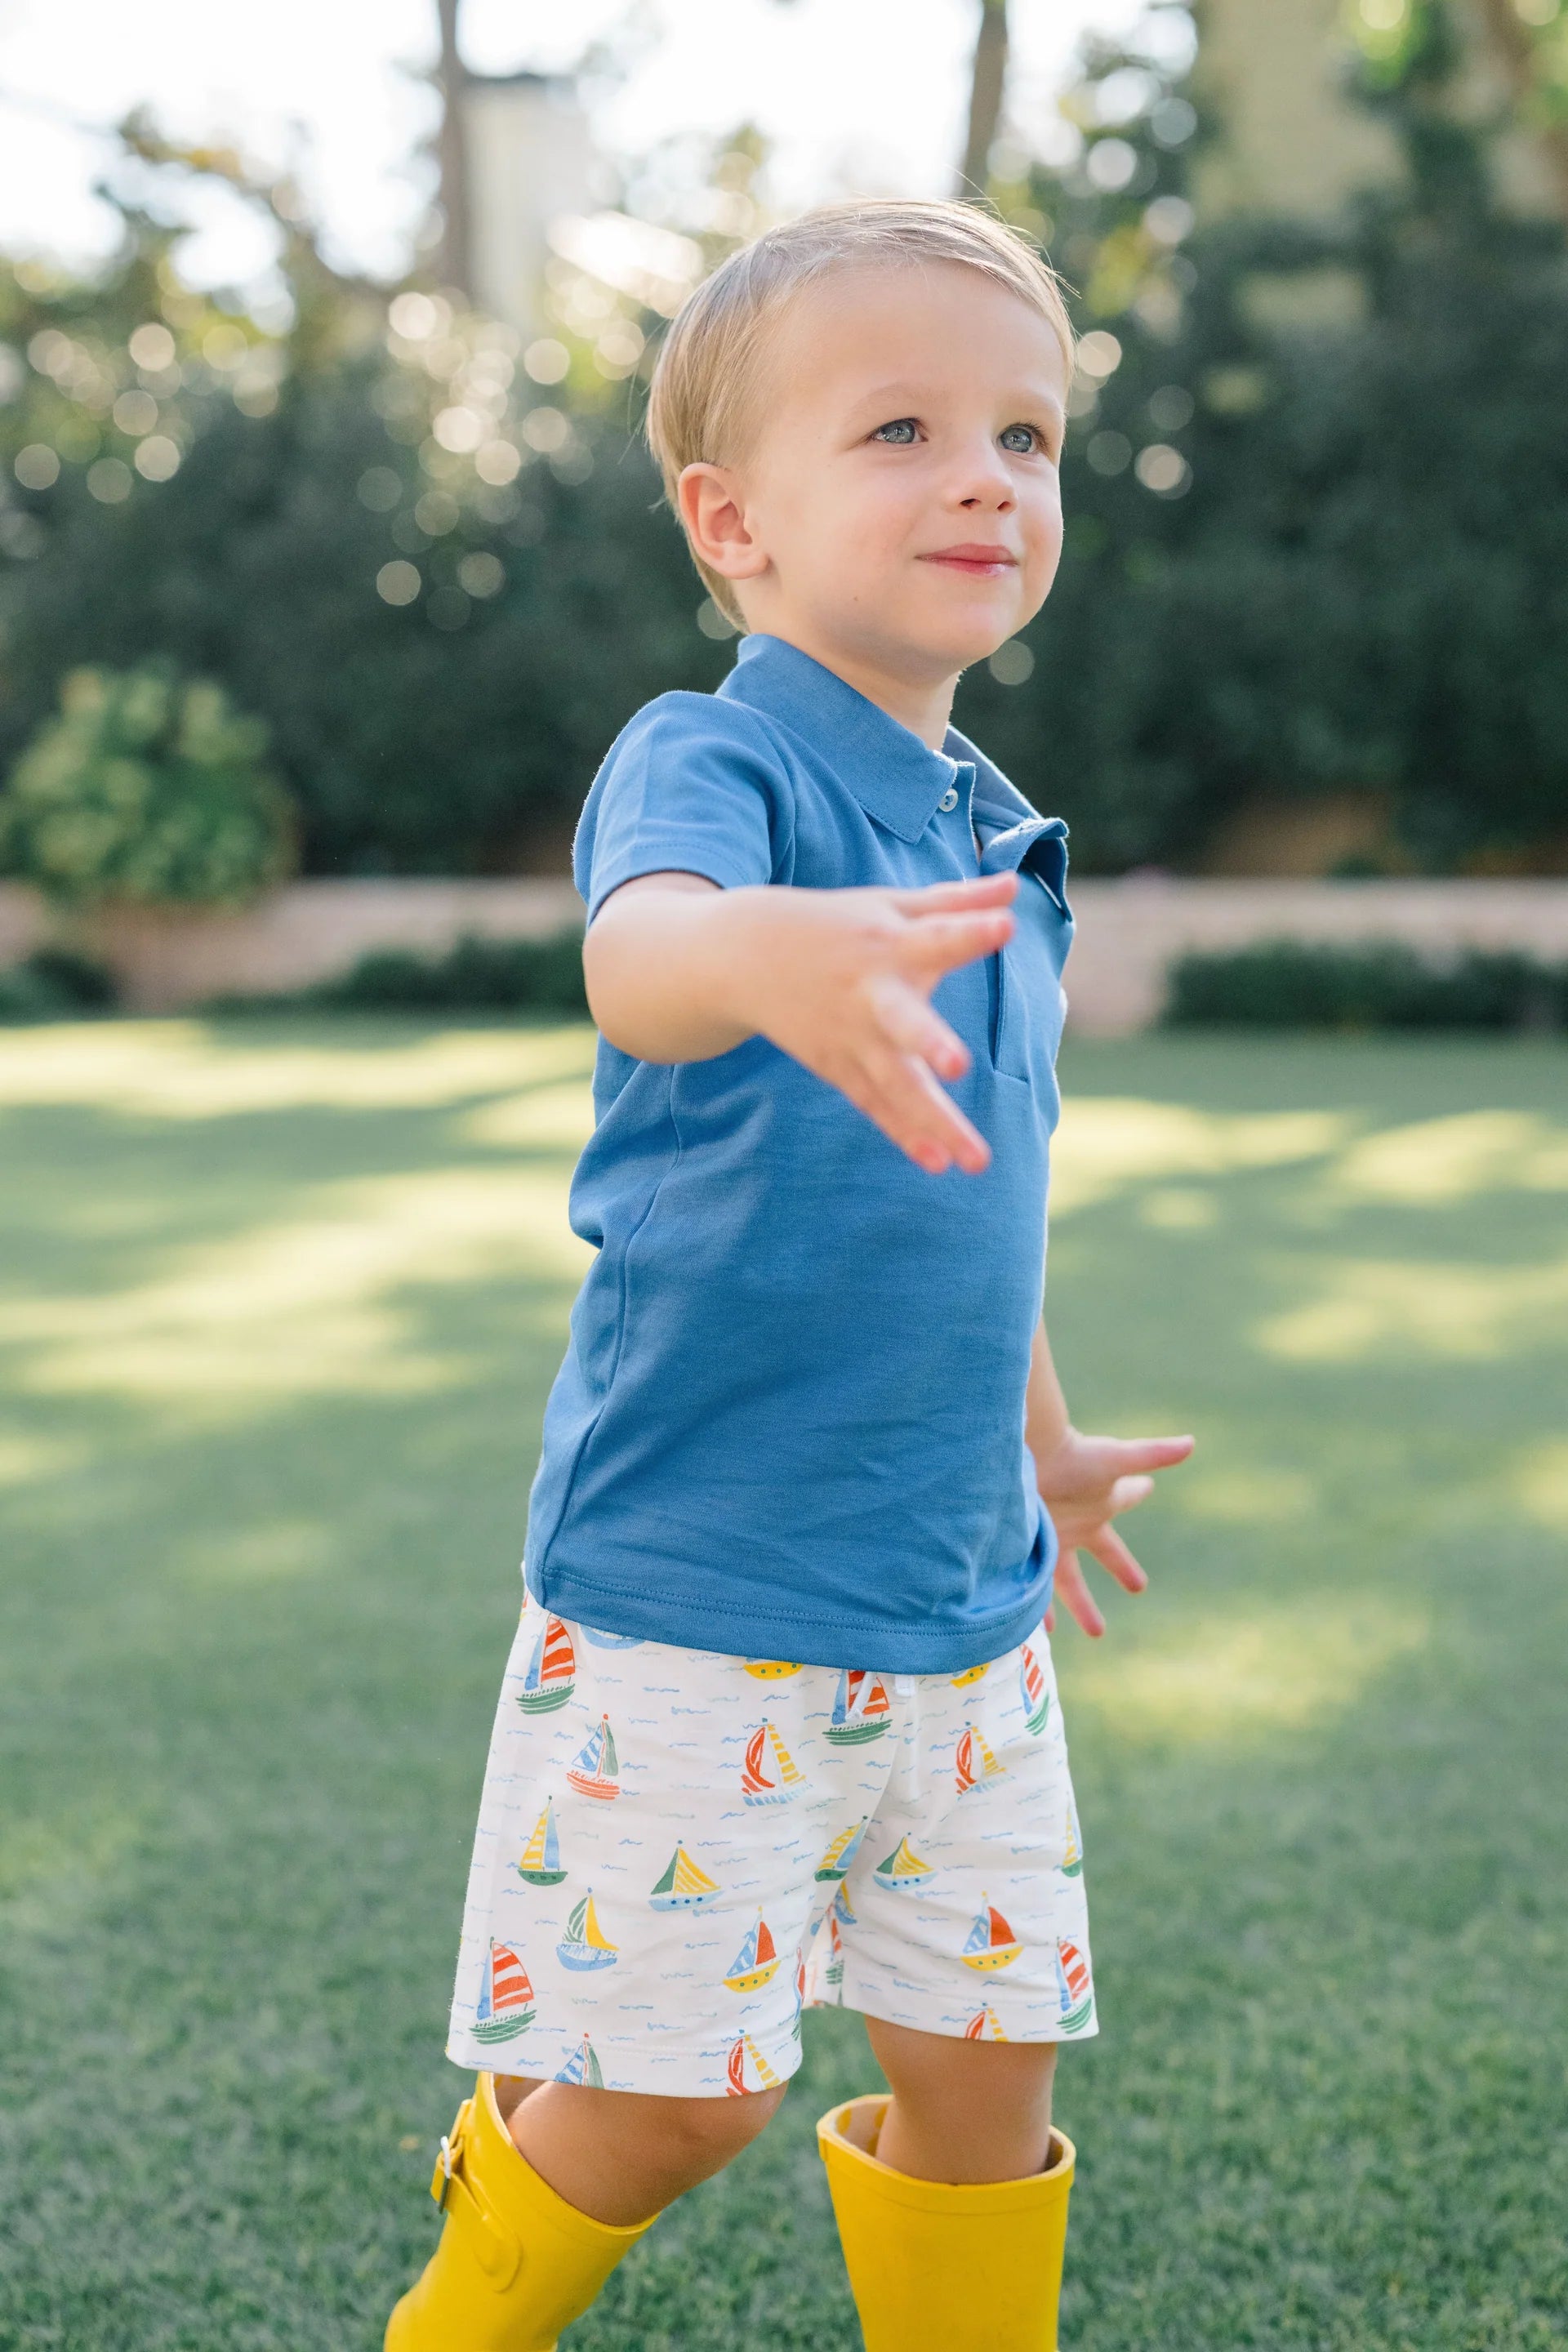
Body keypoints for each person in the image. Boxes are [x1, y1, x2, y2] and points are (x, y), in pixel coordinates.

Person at [385, 197, 1193, 2352]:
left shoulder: (1002, 838)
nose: (984, 480)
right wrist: (751, 946)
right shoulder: (713, 763)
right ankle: (467, 2277)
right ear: (732, 522)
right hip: (706, 1586)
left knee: (986, 2080)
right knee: (680, 2107)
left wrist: (1042, 1442)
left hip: (961, 1595)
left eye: (1026, 440)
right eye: (907, 426)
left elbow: (967, 1191)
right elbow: (640, 960)